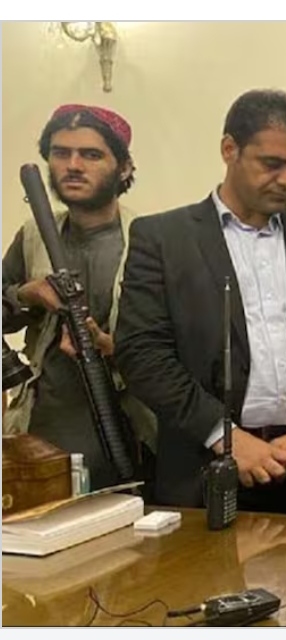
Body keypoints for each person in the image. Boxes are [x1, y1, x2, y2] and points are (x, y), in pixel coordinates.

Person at [114, 89, 286, 517]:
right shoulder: (162, 239)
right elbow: (142, 353)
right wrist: (225, 435)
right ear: (229, 149)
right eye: (273, 164)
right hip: (205, 473)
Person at [2, 104, 156, 491]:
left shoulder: (150, 239)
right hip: (42, 434)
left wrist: (112, 348)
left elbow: (183, 347)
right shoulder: (34, 234)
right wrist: (27, 294)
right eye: (61, 153)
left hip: (130, 431)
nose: (73, 165)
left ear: (124, 167)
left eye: (91, 154)